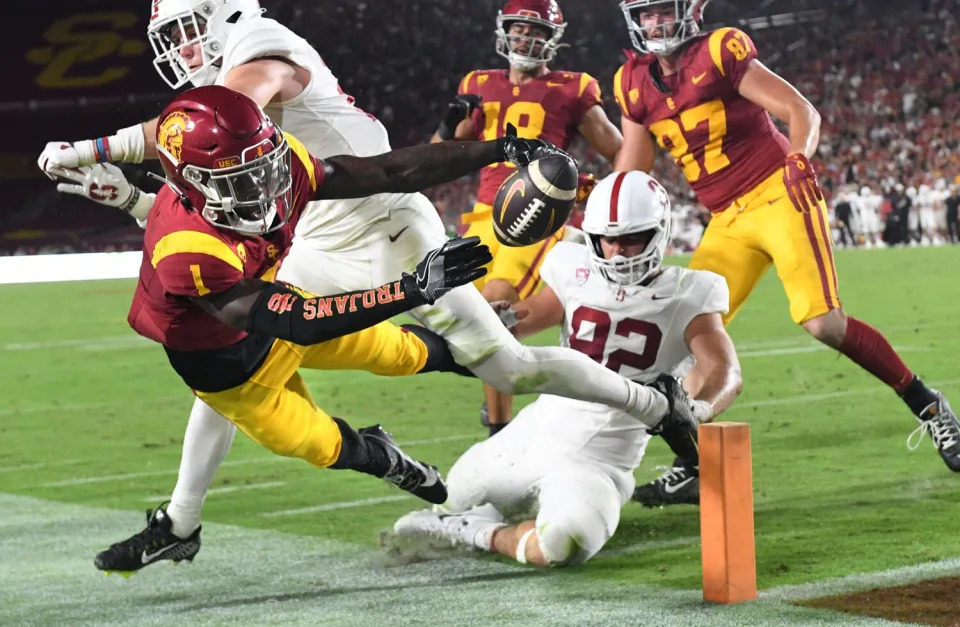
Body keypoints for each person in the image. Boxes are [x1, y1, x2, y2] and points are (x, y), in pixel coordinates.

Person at [40, 0, 695, 573]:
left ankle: (651, 402)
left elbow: (374, 165)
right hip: (316, 232)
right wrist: (110, 169)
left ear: (224, 15)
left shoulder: (257, 53)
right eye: (172, 37)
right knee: (237, 356)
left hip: (383, 222)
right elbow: (195, 144)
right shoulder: (226, 120)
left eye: (188, 30)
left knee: (509, 365)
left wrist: (97, 147)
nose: (181, 50)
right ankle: (181, 521)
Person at [612, 0, 960, 506]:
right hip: (725, 220)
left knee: (822, 322)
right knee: (679, 335)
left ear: (690, 10)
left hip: (780, 193)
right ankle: (691, 461)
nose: (655, 22)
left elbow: (801, 111)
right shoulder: (632, 82)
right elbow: (633, 171)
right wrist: (600, 196)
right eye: (646, 14)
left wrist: (798, 157)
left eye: (665, 10)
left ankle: (928, 406)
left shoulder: (720, 49)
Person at [392, 171, 741, 566]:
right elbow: (530, 317)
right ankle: (468, 519)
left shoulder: (689, 293)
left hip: (602, 460)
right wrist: (493, 321)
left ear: (659, 233)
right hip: (537, 431)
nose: (618, 252)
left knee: (564, 545)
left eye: (631, 239)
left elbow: (726, 370)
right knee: (448, 496)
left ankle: (475, 531)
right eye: (608, 240)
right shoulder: (574, 266)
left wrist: (698, 410)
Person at [431, 0, 624, 435]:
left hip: (535, 214)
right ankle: (501, 410)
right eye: (520, 29)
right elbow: (439, 156)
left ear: (552, 39)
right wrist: (447, 126)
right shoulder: (478, 83)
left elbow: (620, 151)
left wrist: (589, 186)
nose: (526, 38)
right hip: (482, 214)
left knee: (497, 306)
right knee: (470, 317)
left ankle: (500, 429)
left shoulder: (572, 88)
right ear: (505, 32)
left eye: (536, 32)